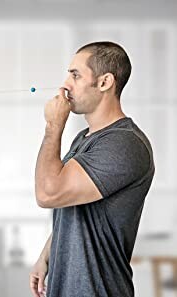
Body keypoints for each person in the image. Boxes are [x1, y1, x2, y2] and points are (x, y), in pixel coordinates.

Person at [30, 41, 155, 297]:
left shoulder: (124, 144)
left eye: (75, 75)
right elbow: (73, 205)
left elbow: (48, 194)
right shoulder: (84, 139)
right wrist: (46, 256)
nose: (65, 84)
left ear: (104, 82)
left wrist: (53, 127)